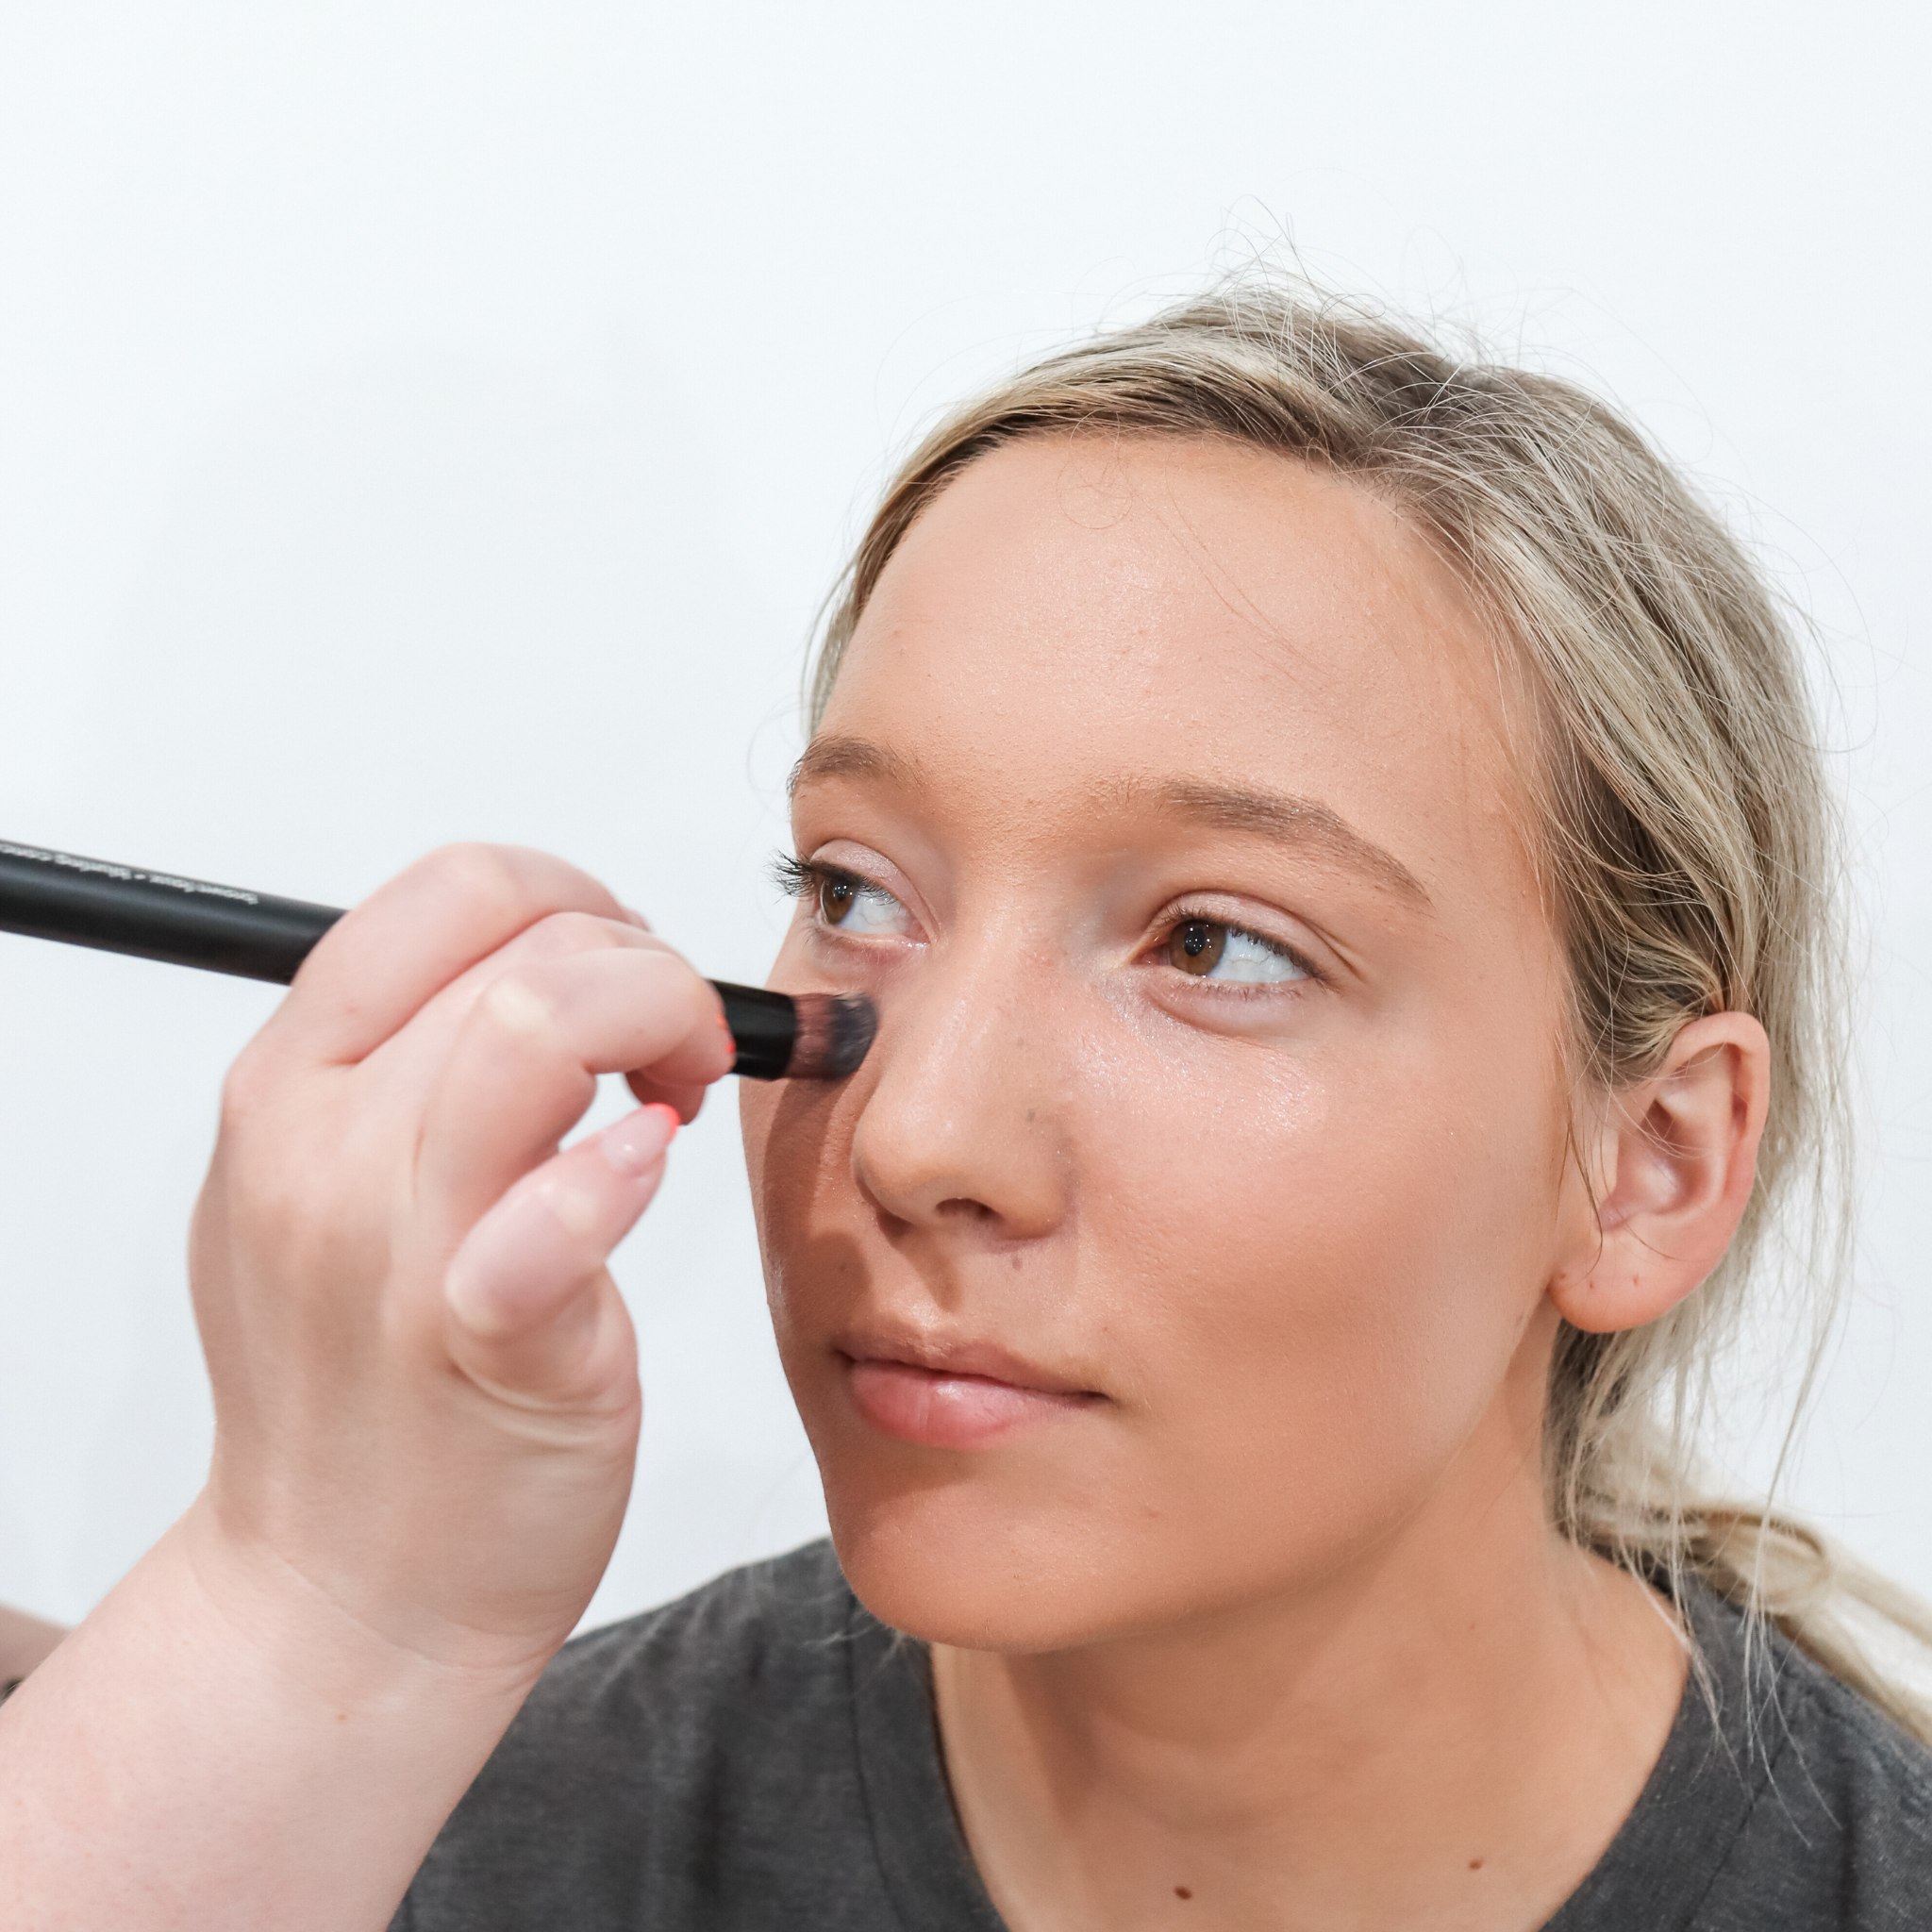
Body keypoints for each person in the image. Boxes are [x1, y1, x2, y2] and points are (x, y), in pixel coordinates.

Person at [3, 281, 1929, 1930]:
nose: (916, 1136)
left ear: (1650, 1164)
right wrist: (308, 1606)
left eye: (1216, 944)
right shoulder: (403, 1847)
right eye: (852, 891)